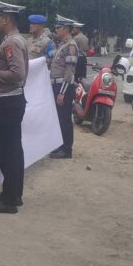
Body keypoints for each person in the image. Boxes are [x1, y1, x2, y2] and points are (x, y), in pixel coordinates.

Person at [0, 0, 28, 214]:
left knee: (7, 150)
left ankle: (8, 201)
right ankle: (13, 193)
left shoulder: (10, 43)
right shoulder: (17, 39)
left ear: (6, 19)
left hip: (7, 100)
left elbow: (17, 74)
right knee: (13, 149)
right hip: (12, 100)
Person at [49, 16, 79, 159]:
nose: (56, 30)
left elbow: (69, 72)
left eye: (58, 28)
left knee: (65, 119)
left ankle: (67, 150)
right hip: (57, 85)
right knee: (59, 119)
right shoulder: (62, 45)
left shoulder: (71, 46)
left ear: (66, 29)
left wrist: (61, 93)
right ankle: (61, 146)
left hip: (64, 87)